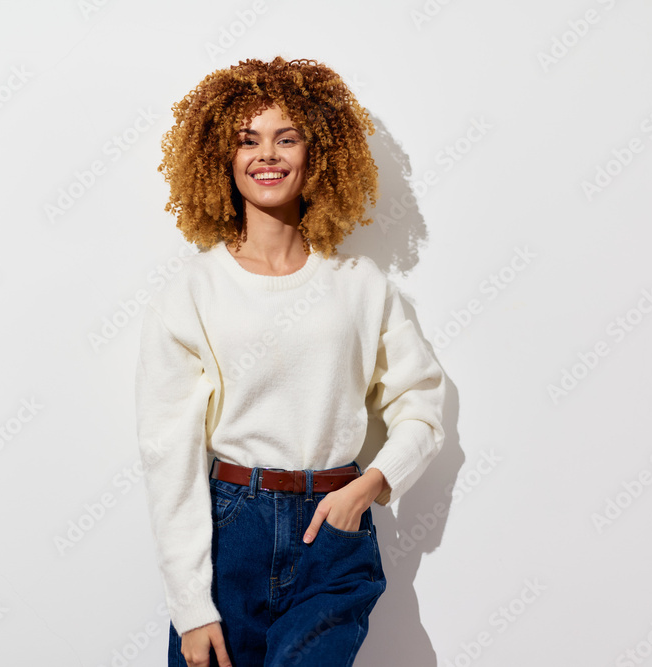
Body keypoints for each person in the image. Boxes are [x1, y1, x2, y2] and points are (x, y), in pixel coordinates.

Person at [135, 56, 447, 667]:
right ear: (222, 158)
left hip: (333, 532)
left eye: (287, 138)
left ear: (318, 153)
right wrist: (191, 606)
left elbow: (421, 405)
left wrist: (371, 485)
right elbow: (168, 454)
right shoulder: (192, 291)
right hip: (231, 535)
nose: (267, 155)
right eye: (247, 140)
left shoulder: (359, 284)